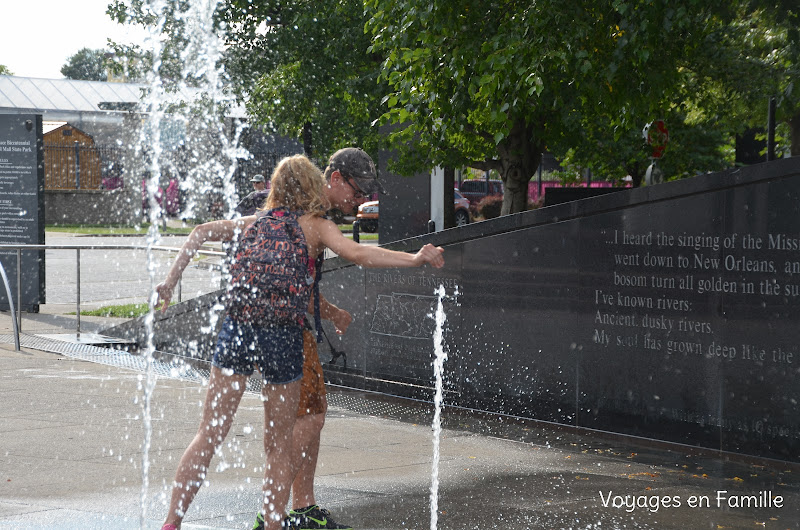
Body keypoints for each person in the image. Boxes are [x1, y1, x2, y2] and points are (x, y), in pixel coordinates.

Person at [156, 152, 444, 530]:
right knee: (277, 444)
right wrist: (415, 259)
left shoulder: (255, 221)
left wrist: (169, 281)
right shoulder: (314, 226)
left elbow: (199, 233)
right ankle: (273, 524)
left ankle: (171, 523)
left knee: (209, 432)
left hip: (238, 326)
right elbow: (359, 253)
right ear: (315, 185)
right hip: (281, 333)